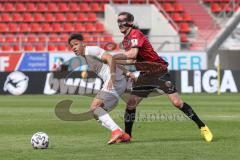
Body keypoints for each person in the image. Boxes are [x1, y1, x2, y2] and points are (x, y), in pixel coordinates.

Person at [112, 12, 213, 143]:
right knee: (131, 104)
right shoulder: (126, 41)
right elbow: (131, 61)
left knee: (177, 103)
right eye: (118, 21)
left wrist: (112, 57)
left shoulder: (135, 33)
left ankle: (202, 126)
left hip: (159, 71)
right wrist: (113, 62)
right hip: (145, 75)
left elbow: (132, 54)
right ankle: (127, 136)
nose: (120, 24)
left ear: (130, 22)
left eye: (123, 21)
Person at [68, 33, 131, 144]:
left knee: (94, 106)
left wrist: (112, 76)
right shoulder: (86, 56)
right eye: (71, 46)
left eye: (76, 44)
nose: (73, 48)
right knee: (96, 113)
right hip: (118, 81)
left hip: (114, 79)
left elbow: (110, 58)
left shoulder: (91, 50)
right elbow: (112, 62)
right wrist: (128, 73)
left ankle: (116, 131)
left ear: (83, 43)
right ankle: (123, 135)